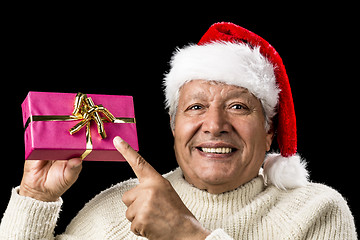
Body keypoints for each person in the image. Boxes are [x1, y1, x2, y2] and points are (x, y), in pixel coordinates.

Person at [0, 22, 357, 239]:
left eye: (238, 107)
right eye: (196, 107)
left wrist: (187, 235)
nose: (215, 126)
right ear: (174, 127)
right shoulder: (120, 207)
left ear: (268, 132)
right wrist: (36, 197)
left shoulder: (316, 210)